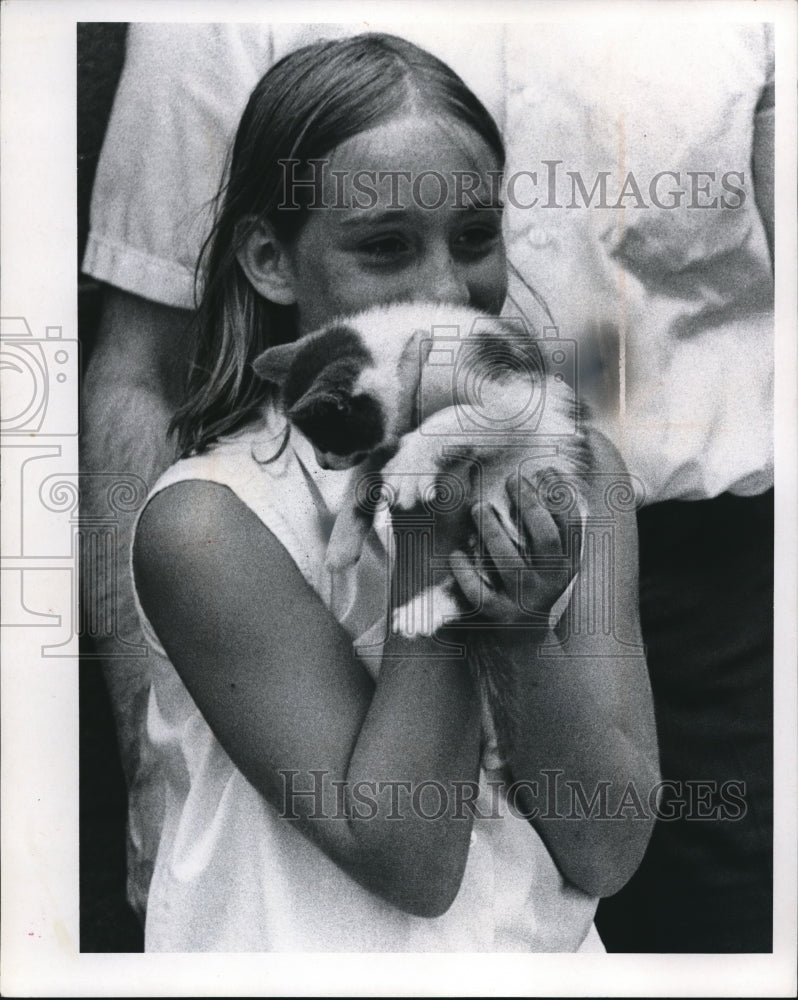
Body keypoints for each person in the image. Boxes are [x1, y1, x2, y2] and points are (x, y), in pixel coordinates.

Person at [82, 22, 774, 953]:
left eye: (476, 236)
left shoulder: (581, 471)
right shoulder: (209, 524)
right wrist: (438, 529)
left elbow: (609, 847)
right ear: (270, 259)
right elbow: (410, 856)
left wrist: (520, 630)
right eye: (385, 246)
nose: (447, 288)